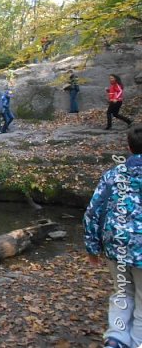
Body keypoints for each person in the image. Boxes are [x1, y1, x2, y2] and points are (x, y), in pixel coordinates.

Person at [83, 125, 142, 348]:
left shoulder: (113, 175)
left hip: (115, 244)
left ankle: (116, 338)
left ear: (129, 147)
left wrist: (92, 247)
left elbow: (92, 211)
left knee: (122, 293)